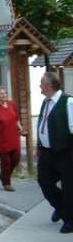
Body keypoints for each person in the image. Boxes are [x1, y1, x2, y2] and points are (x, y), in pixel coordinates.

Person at [37, 72, 73, 234]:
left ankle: (70, 221)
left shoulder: (68, 102)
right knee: (44, 182)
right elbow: (42, 124)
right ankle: (60, 207)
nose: (39, 86)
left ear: (50, 85)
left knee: (69, 187)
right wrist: (39, 145)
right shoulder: (46, 102)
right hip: (46, 152)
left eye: (41, 83)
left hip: (64, 152)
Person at [0, 86, 23, 191]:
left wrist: (20, 126)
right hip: (2, 139)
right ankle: (6, 183)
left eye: (5, 93)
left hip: (14, 136)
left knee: (16, 159)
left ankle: (3, 175)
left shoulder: (12, 104)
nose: (4, 95)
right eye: (1, 94)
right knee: (6, 162)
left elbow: (16, 118)